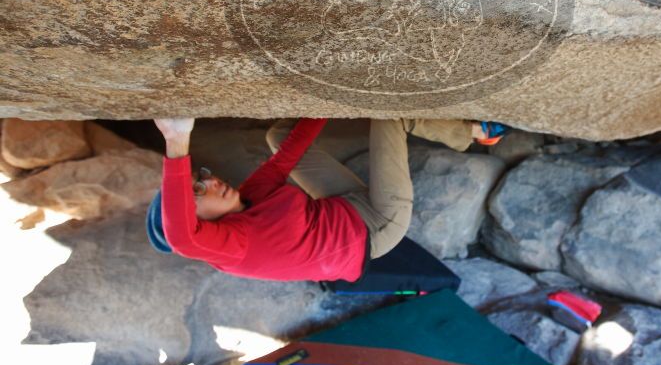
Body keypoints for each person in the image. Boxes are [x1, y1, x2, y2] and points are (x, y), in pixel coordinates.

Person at [147, 118, 506, 282]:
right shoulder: (232, 246)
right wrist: (177, 140)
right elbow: (182, 238)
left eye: (202, 174)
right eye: (198, 190)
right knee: (391, 117)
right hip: (377, 224)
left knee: (280, 135)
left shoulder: (247, 201)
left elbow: (287, 155)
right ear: (199, 221)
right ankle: (475, 133)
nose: (210, 181)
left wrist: (331, 96)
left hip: (339, 206)